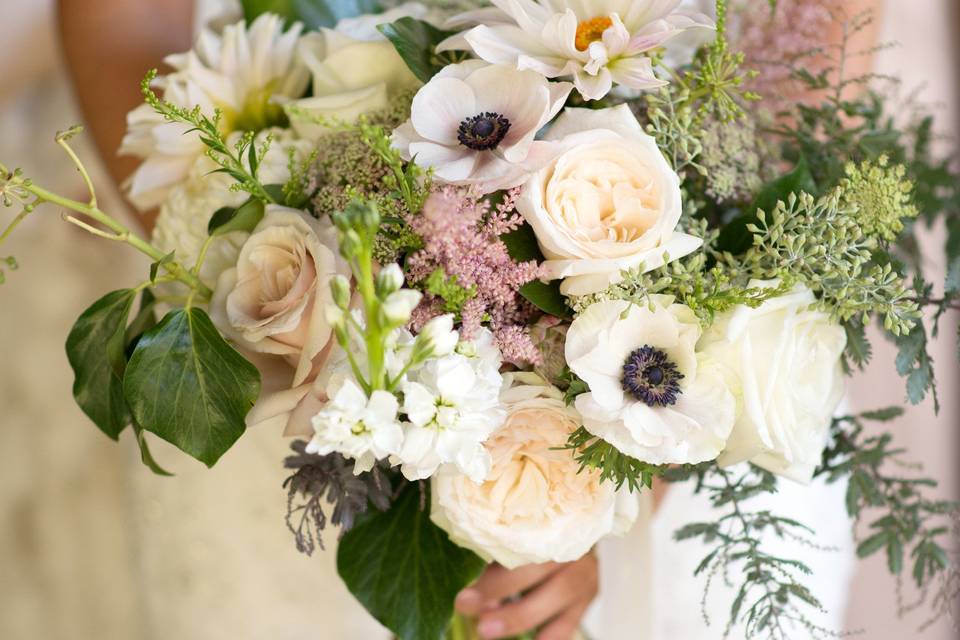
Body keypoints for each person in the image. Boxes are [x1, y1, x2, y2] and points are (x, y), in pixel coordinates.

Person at [57, 1, 860, 639]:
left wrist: (642, 446)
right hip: (313, 338)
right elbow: (120, 16)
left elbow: (815, 31)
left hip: (695, 282)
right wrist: (275, 306)